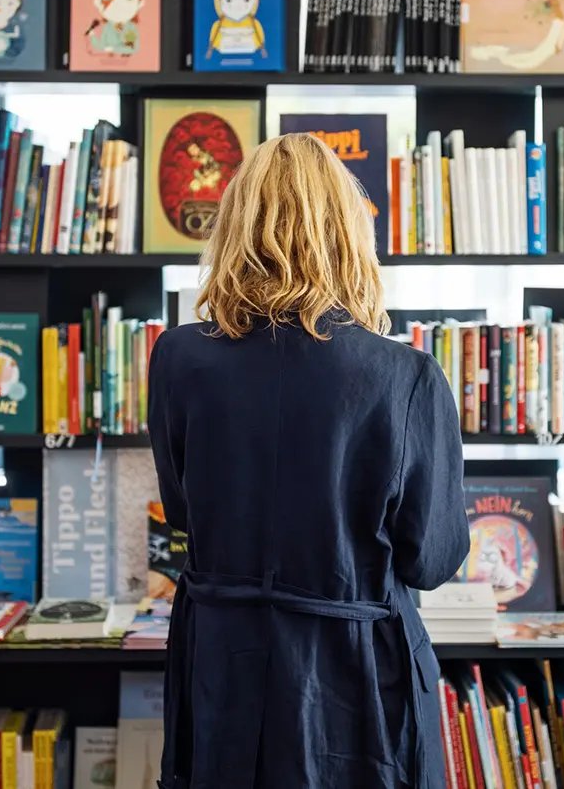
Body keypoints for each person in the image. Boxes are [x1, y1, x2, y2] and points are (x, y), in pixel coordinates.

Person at [149, 133, 468, 789]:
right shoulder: (404, 375)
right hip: (353, 688)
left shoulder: (177, 358)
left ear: (237, 227)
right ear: (347, 233)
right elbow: (431, 561)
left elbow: (186, 512)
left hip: (222, 671)